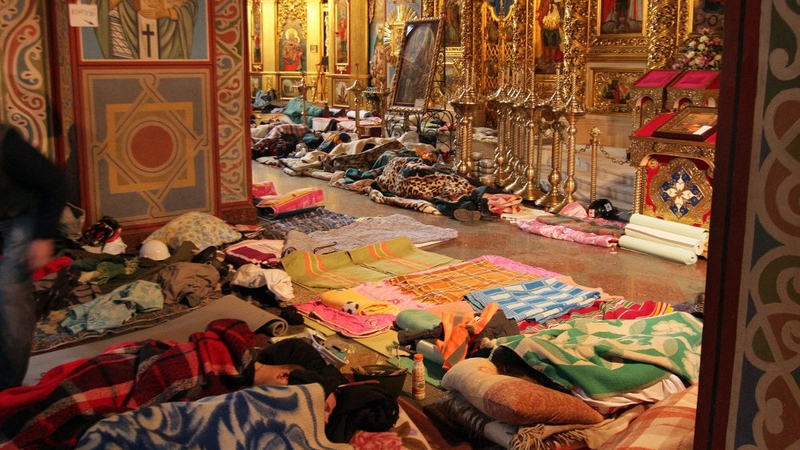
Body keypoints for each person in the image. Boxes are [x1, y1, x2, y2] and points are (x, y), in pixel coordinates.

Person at [0, 319, 349, 449]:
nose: (323, 420)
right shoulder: (203, 367)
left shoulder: (232, 379)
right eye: (321, 408)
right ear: (284, 377)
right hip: (101, 383)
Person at [0, 123, 67, 392]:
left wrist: (43, 236)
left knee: (9, 292)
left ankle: (7, 388)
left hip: (23, 217)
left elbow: (55, 183)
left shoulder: (6, 143)